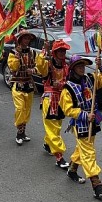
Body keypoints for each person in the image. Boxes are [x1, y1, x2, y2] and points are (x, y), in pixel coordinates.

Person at [59, 54, 102, 199]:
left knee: (82, 148)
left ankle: (72, 169)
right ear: (73, 69)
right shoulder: (67, 89)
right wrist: (84, 115)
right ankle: (97, 185)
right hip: (81, 123)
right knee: (88, 152)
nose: (82, 68)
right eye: (79, 66)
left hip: (93, 120)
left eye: (83, 66)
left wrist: (101, 67)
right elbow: (67, 109)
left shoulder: (90, 78)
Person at [36, 39, 71, 169]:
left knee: (56, 127)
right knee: (52, 128)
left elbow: (69, 83)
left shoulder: (66, 67)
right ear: (54, 52)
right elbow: (39, 66)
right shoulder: (48, 65)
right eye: (59, 51)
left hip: (61, 99)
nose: (62, 53)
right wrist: (44, 50)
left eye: (64, 51)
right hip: (50, 99)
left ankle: (47, 143)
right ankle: (59, 156)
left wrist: (61, 85)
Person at [7, 30, 42, 145]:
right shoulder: (13, 52)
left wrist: (33, 70)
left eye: (28, 39)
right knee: (20, 109)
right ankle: (19, 133)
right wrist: (17, 57)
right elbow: (13, 68)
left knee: (27, 110)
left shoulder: (33, 52)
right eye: (24, 38)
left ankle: (23, 132)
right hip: (18, 84)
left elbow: (40, 67)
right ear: (20, 40)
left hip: (29, 84)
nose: (26, 41)